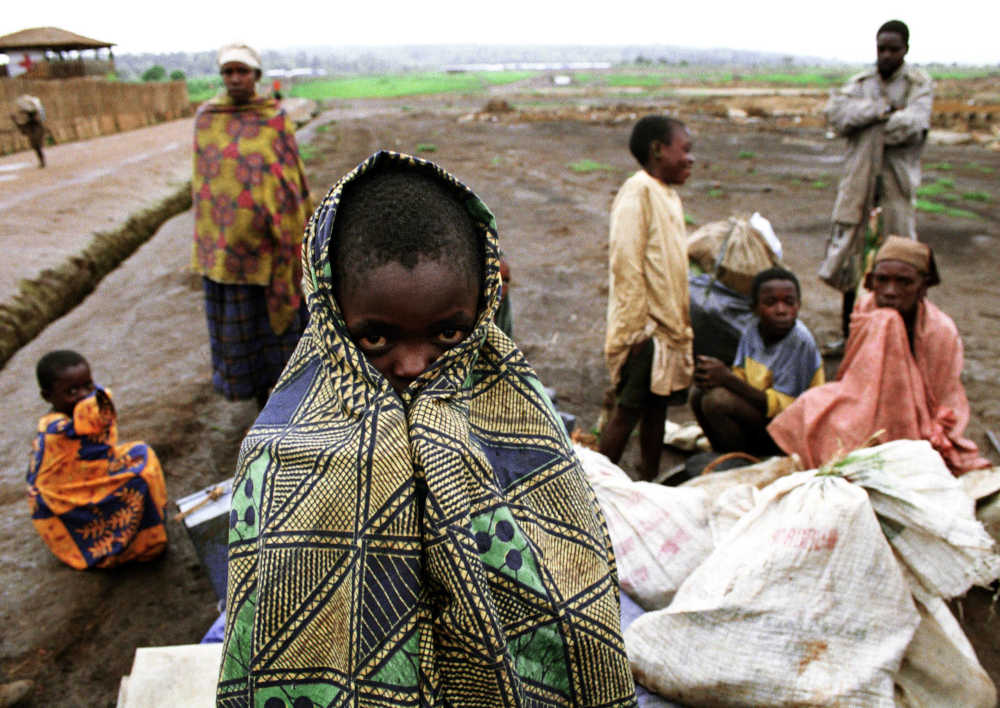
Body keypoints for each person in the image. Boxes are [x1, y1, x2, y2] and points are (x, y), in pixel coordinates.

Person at [216, 151, 636, 706]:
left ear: (483, 308)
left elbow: (573, 616)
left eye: (448, 333)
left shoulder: (524, 428)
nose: (415, 364)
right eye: (375, 338)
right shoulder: (283, 451)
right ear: (330, 311)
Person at [770, 237, 989, 474]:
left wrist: (935, 429)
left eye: (904, 282)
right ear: (872, 281)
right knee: (809, 406)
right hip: (862, 397)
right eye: (882, 280)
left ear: (923, 287)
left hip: (916, 416)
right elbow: (854, 372)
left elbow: (946, 396)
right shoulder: (865, 308)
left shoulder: (940, 330)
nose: (890, 291)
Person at [191, 42, 312, 409]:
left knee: (281, 338)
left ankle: (287, 404)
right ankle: (261, 407)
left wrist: (289, 228)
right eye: (228, 72)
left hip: (272, 247)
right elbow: (207, 185)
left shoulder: (274, 118)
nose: (235, 78)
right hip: (229, 252)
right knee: (244, 334)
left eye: (242, 71)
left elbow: (291, 180)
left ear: (256, 76)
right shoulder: (207, 119)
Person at [818, 20, 934, 349]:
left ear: (905, 49)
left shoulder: (918, 84)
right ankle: (849, 335)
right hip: (858, 189)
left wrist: (868, 123)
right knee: (851, 265)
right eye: (881, 48)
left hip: (896, 190)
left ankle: (902, 340)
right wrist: (882, 110)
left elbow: (912, 125)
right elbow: (839, 117)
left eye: (893, 49)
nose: (885, 55)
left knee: (900, 265)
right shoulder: (861, 83)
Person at [599, 115, 694, 480]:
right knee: (628, 411)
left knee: (656, 410)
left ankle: (649, 481)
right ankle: (597, 490)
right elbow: (626, 262)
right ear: (658, 149)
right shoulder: (637, 191)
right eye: (683, 150)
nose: (690, 159)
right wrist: (636, 328)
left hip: (667, 330)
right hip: (648, 330)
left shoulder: (667, 194)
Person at [26, 350, 168, 569]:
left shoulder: (74, 415)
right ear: (48, 396)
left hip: (86, 477)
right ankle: (136, 545)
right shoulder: (58, 429)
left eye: (87, 385)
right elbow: (98, 416)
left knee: (142, 453)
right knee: (138, 479)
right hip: (62, 498)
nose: (84, 395)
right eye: (72, 391)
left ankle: (147, 529)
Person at [691, 267, 824, 456]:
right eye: (770, 303)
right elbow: (741, 375)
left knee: (717, 401)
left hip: (791, 428)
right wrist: (715, 376)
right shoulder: (752, 329)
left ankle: (744, 458)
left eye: (789, 302)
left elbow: (785, 409)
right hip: (763, 414)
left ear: (798, 305)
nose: (781, 310)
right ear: (754, 307)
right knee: (698, 393)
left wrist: (727, 379)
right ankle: (723, 452)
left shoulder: (800, 342)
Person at [11, 94, 48, 168]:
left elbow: (36, 119)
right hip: (33, 130)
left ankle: (42, 161)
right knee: (36, 147)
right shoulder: (31, 115)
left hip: (35, 130)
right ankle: (42, 161)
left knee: (37, 147)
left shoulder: (34, 115)